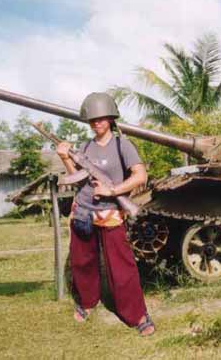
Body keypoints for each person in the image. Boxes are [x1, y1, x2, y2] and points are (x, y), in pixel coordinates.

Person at [56, 92, 155, 336]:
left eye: (100, 118)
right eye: (92, 120)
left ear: (110, 118)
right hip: (83, 211)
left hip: (110, 212)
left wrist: (112, 190)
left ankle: (137, 314)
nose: (96, 123)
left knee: (122, 266)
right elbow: (78, 179)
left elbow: (140, 176)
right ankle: (87, 303)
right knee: (82, 262)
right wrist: (65, 158)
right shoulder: (86, 146)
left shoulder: (123, 144)